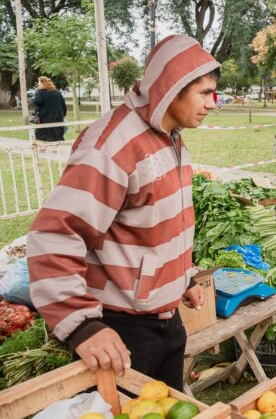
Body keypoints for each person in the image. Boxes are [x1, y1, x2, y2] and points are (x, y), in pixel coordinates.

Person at [27, 35, 220, 389]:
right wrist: (81, 325)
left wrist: (184, 277)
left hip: (166, 319)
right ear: (170, 87)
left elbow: (158, 225)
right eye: (205, 92)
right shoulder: (111, 145)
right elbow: (55, 235)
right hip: (120, 331)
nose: (213, 103)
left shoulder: (170, 135)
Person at [31, 76, 67, 142]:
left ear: (42, 83)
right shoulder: (57, 93)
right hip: (58, 118)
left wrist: (32, 99)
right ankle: (54, 150)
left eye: (38, 82)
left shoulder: (39, 92)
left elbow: (37, 101)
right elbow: (63, 105)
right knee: (56, 137)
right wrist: (63, 115)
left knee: (41, 136)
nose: (38, 84)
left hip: (45, 119)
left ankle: (43, 150)